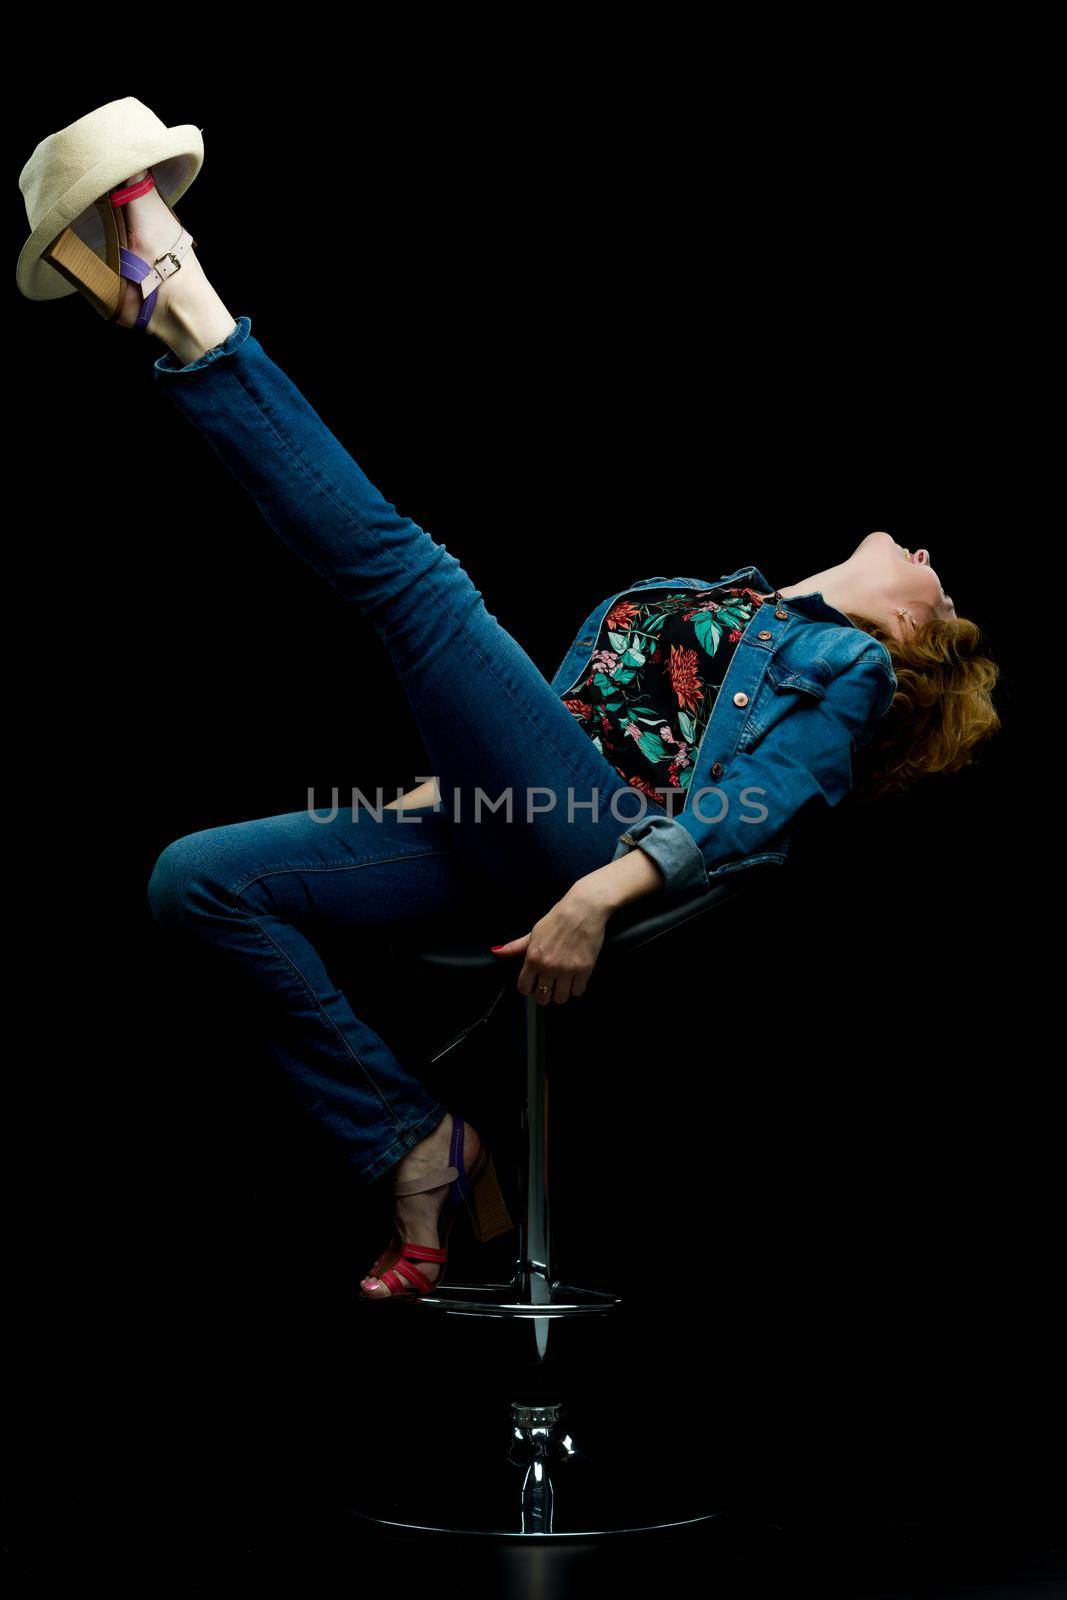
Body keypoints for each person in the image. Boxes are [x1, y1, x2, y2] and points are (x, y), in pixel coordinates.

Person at [31, 162, 1000, 1301]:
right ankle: (416, 1142)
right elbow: (572, 719)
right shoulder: (735, 605)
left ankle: (180, 299)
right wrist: (457, 790)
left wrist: (597, 896)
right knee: (194, 881)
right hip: (515, 830)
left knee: (412, 579)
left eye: (937, 583)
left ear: (907, 632)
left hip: (593, 848)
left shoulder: (851, 673)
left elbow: (757, 812)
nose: (927, 558)